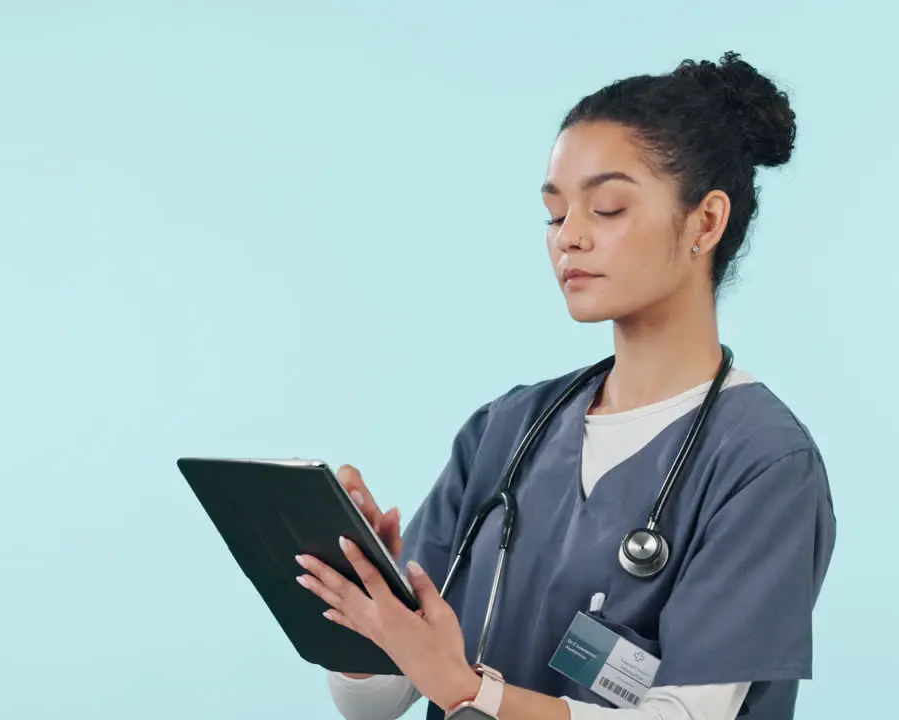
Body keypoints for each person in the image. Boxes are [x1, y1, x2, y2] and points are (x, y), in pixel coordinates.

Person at [293, 51, 837, 720]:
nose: (569, 239)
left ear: (705, 222)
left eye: (607, 208)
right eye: (555, 215)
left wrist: (471, 692)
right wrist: (365, 603)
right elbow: (376, 703)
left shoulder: (764, 464)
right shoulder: (508, 429)